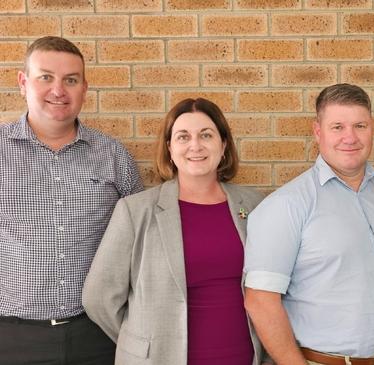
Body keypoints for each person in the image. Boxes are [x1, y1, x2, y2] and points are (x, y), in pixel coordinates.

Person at [82, 98, 266, 365]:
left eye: (206, 135)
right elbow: (98, 297)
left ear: (223, 145)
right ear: (169, 148)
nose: (195, 145)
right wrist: (139, 340)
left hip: (241, 356)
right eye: (183, 137)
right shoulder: (136, 211)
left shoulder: (254, 205)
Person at [243, 83, 374, 365]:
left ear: (372, 129)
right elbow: (260, 300)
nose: (350, 137)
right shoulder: (287, 205)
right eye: (337, 127)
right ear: (318, 131)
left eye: (360, 125)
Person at [0, 36, 143, 364]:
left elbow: (142, 241)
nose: (58, 90)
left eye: (71, 80)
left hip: (96, 335)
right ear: (23, 82)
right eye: (45, 77)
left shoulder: (113, 156)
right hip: (12, 338)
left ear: (84, 88)